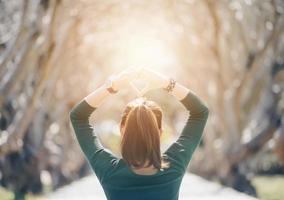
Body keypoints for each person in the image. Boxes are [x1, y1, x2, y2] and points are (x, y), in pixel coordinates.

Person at [69, 67, 209, 200]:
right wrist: (166, 83)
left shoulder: (109, 171)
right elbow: (200, 111)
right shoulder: (174, 165)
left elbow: (78, 116)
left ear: (121, 130)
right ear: (160, 132)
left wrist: (112, 86)